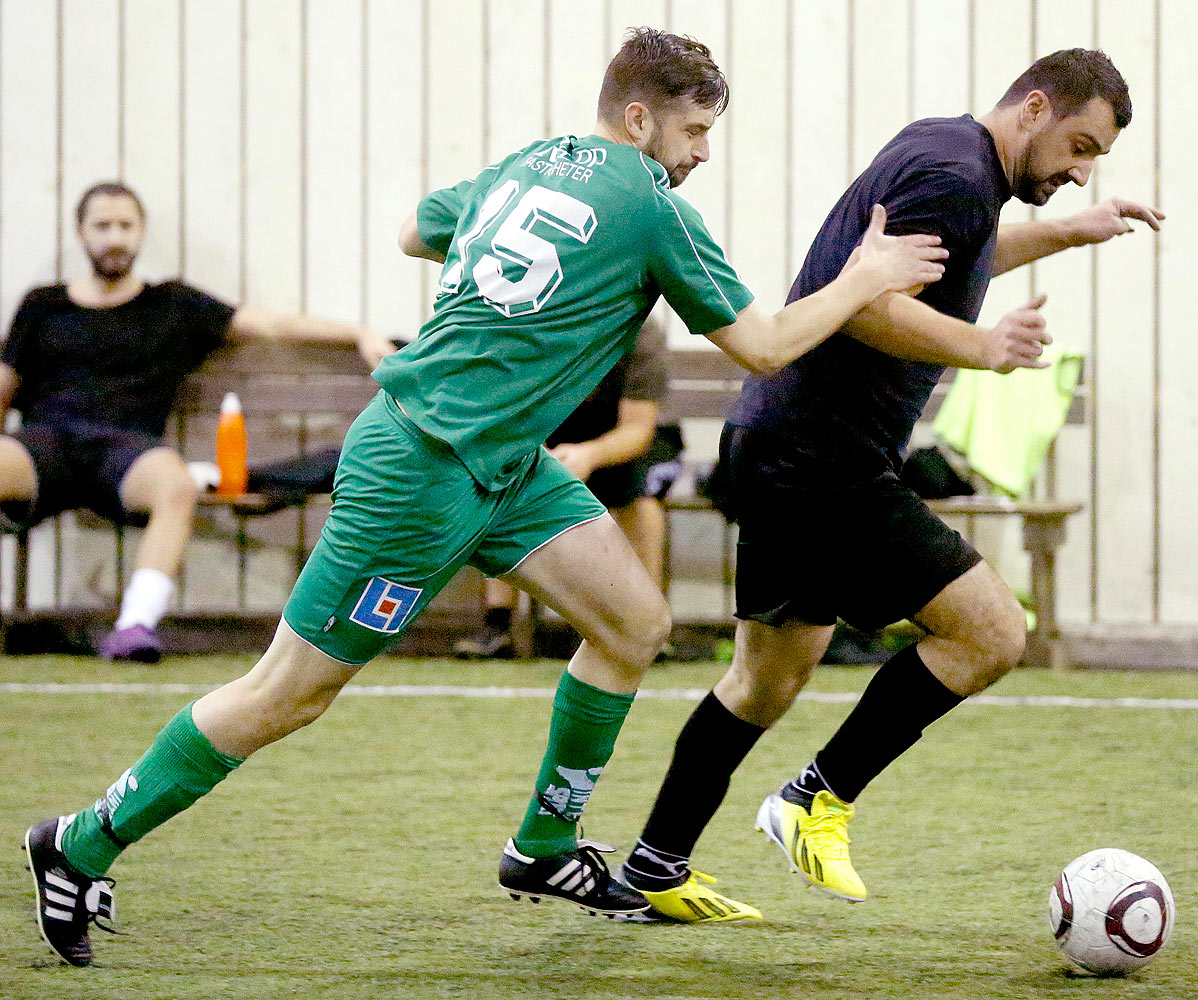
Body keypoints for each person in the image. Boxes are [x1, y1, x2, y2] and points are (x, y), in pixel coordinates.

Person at [21, 27, 946, 966]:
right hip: (419, 469)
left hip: (502, 462)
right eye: (694, 130)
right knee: (287, 694)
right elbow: (764, 344)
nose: (701, 152)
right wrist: (864, 277)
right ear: (639, 117)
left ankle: (542, 846)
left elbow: (415, 230)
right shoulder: (649, 203)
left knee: (633, 623)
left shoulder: (533, 162)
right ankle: (81, 840)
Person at [617, 48, 1165, 923]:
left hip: (781, 440)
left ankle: (651, 867)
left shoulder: (949, 149)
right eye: (1077, 144)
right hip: (822, 458)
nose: (1077, 169)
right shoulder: (956, 175)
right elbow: (866, 301)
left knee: (762, 682)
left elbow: (955, 264)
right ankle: (812, 801)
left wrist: (1070, 227)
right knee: (989, 631)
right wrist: (986, 350)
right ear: (1033, 108)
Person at [0, 181, 395, 663]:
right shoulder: (43, 304)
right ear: (81, 234)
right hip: (45, 444)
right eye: (101, 226)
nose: (114, 237)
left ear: (141, 232)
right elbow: (4, 385)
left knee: (177, 486)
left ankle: (134, 628)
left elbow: (270, 324)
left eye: (125, 225)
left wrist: (358, 332)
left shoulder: (174, 304)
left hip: (128, 452)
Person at [454, 317, 670, 660]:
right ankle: (498, 627)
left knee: (640, 499)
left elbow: (637, 430)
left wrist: (589, 455)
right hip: (542, 430)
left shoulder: (639, 331)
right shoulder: (530, 320)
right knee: (500, 482)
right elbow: (505, 413)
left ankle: (648, 629)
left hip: (614, 441)